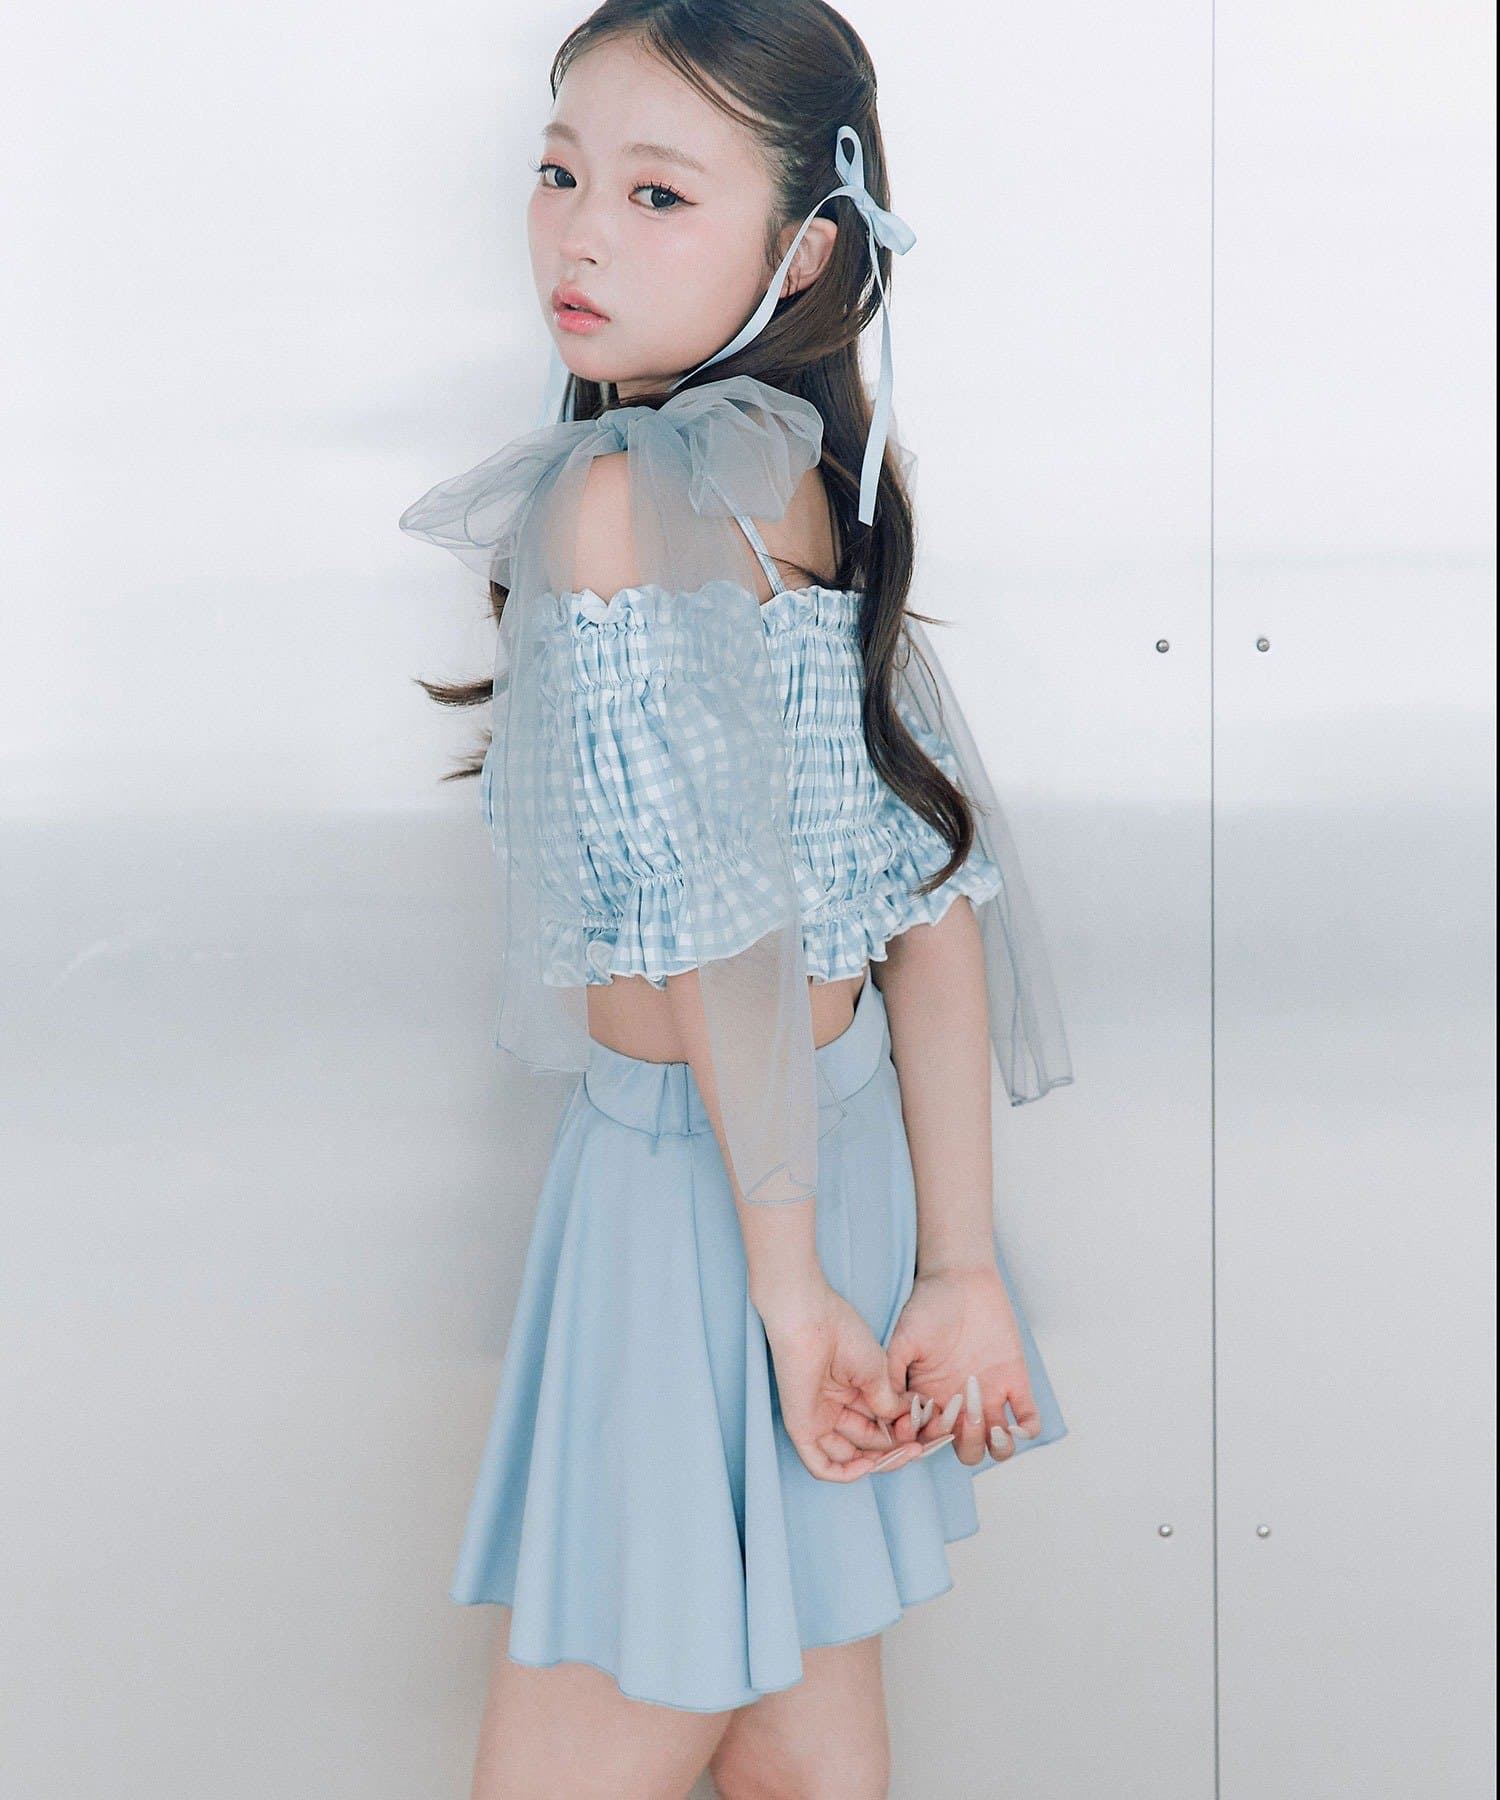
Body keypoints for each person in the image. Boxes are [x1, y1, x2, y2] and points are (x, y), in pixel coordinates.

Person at [398, 5, 1074, 1794]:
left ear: (810, 249)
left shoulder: (626, 501)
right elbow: (934, 899)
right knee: (797, 1760)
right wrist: (950, 1262)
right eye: (558, 174)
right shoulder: (811, 481)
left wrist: (788, 1296)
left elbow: (732, 930)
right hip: (826, 1173)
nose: (579, 236)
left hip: (705, 1200)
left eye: (656, 193)